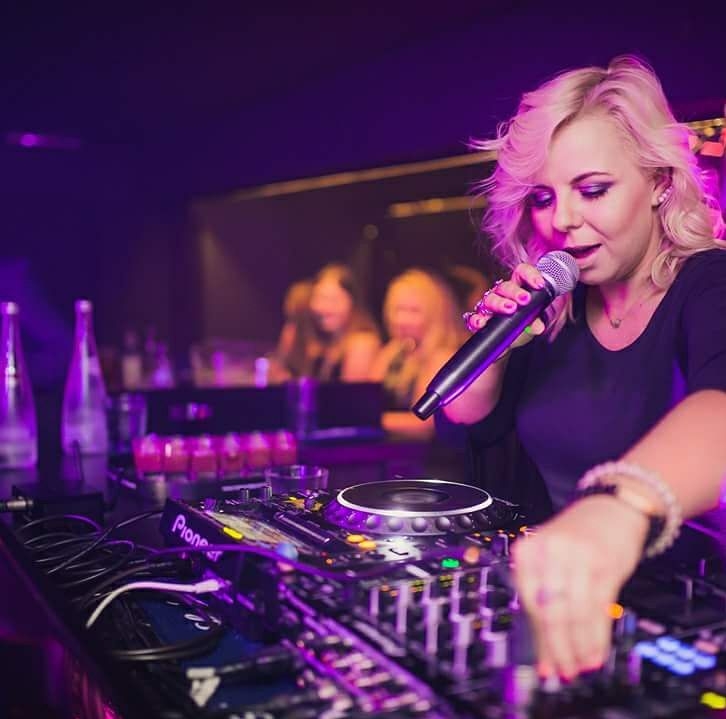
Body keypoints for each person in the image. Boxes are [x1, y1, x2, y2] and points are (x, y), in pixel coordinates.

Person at [444, 55, 726, 680]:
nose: (562, 221)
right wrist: (498, 342)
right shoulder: (556, 304)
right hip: (563, 612)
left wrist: (615, 512)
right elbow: (462, 414)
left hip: (689, 622)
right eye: (543, 198)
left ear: (659, 183)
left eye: (593, 190)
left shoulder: (710, 285)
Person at [369, 268, 464, 438]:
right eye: (398, 310)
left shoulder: (441, 357)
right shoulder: (392, 352)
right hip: (390, 449)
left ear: (433, 315)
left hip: (427, 453)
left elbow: (424, 422)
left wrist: (373, 421)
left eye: (413, 311)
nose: (402, 320)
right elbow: (366, 403)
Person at [298, 263, 380, 382]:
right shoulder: (326, 340)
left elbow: (351, 392)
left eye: (334, 300)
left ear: (352, 303)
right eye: (319, 297)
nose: (324, 307)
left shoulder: (361, 343)